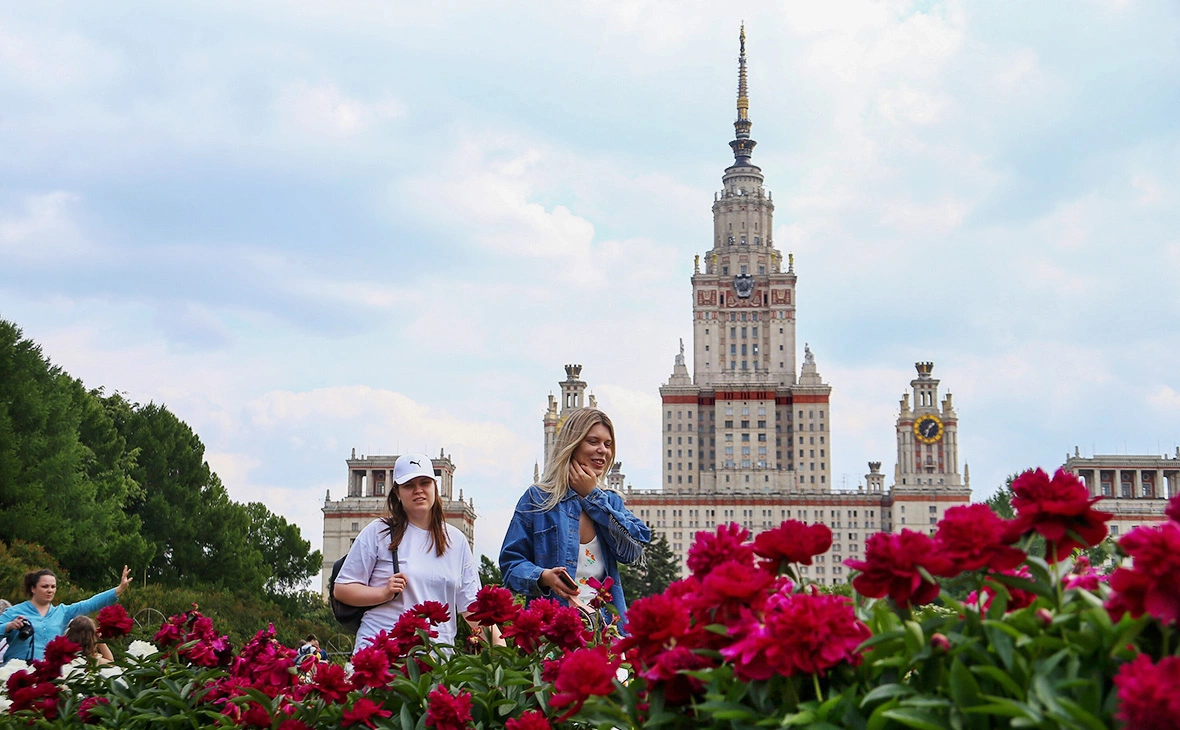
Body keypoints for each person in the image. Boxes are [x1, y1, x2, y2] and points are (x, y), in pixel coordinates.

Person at [500, 407, 651, 626]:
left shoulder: (611, 501)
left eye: (608, 444)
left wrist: (593, 497)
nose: (603, 450)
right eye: (593, 441)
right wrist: (543, 577)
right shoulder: (538, 498)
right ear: (573, 443)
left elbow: (634, 548)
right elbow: (510, 565)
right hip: (553, 630)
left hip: (604, 632)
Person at [333, 453, 486, 654]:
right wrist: (383, 593)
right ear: (397, 492)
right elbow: (342, 589)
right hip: (383, 654)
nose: (418, 490)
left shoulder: (456, 540)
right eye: (409, 485)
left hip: (436, 657)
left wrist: (505, 653)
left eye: (425, 483)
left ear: (435, 487)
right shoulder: (378, 532)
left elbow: (472, 608)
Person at [1, 566, 132, 663]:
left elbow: (90, 604)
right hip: (18, 673)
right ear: (33, 588)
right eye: (45, 586)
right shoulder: (14, 612)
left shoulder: (62, 612)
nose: (50, 590)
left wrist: (119, 589)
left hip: (48, 674)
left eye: (53, 587)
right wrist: (8, 627)